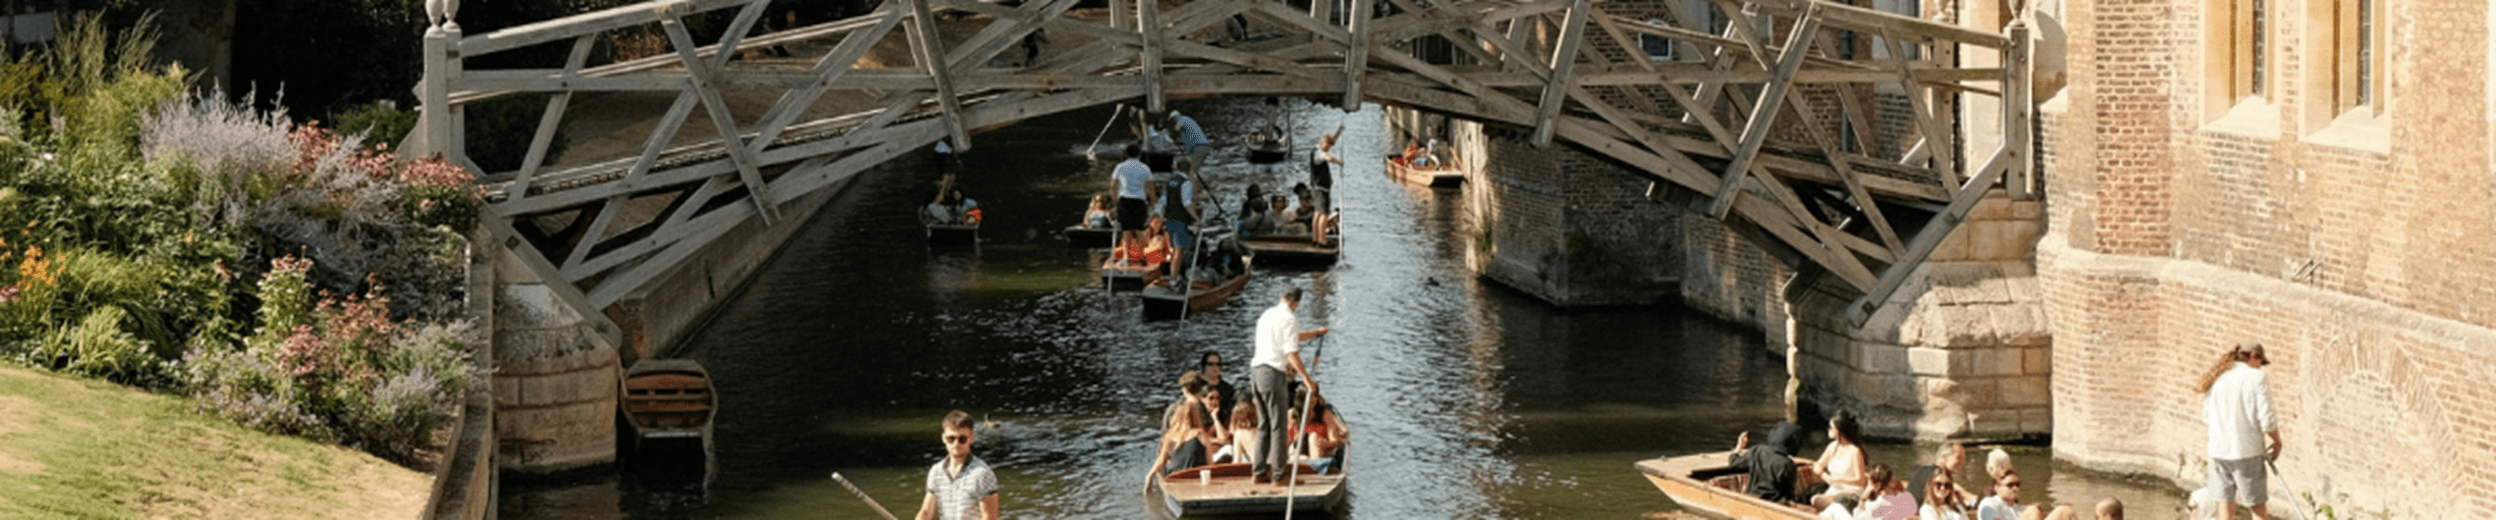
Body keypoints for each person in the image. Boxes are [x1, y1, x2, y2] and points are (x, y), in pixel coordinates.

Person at [1250, 285, 1329, 484]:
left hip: (1256, 372)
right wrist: (1307, 379)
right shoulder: (1290, 319)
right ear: (1296, 303)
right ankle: (1279, 475)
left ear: (1281, 297)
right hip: (1273, 373)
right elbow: (1291, 353)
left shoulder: (1267, 314)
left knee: (1264, 424)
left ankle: (1258, 472)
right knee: (1279, 427)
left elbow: (1289, 339)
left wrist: (1314, 333)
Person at [2197, 342, 2280, 520]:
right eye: (2261, 362)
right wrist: (2278, 441)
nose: (2260, 367)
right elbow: (2267, 421)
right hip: (2246, 452)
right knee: (2257, 509)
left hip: (2218, 452)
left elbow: (2207, 417)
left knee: (2225, 509)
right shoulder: (2256, 378)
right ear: (2253, 357)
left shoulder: (2217, 376)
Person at [917, 410, 1000, 520]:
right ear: (943, 438)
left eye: (962, 439)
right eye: (951, 439)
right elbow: (926, 512)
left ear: (971, 438)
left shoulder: (983, 473)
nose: (956, 444)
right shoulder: (936, 472)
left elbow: (989, 518)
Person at [1728, 421, 1804, 504]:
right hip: (1776, 504)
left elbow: (1734, 463)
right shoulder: (1788, 464)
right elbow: (1789, 492)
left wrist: (1739, 447)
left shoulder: (1757, 451)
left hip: (1752, 498)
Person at [1812, 411, 1872, 511]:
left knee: (1819, 501)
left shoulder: (1854, 451)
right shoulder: (1832, 446)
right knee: (1815, 499)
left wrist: (1837, 480)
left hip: (1851, 491)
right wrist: (1824, 475)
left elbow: (1860, 480)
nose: (1828, 430)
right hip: (1834, 490)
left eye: (1831, 427)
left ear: (1839, 430)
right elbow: (1818, 465)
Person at [1291, 387, 1348, 475]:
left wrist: (1325, 444)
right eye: (1308, 398)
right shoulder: (1294, 415)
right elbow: (1287, 441)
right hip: (1301, 454)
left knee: (1313, 437)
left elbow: (1335, 440)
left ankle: (1315, 469)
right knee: (1301, 455)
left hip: (1322, 452)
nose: (1312, 400)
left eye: (1313, 397)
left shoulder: (1325, 414)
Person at [1113, 143, 1154, 248]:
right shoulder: (1145, 168)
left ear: (1126, 154)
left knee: (1126, 230)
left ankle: (1126, 258)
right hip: (1139, 201)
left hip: (1124, 200)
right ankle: (1141, 256)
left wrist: (1116, 201)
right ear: (1139, 155)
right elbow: (1151, 188)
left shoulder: (1120, 167)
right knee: (1139, 229)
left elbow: (1113, 186)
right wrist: (1153, 202)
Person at [1853, 463, 1919, 520]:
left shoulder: (1876, 505)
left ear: (1875, 485)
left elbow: (1857, 517)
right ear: (1891, 479)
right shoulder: (1907, 497)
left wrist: (1864, 498)